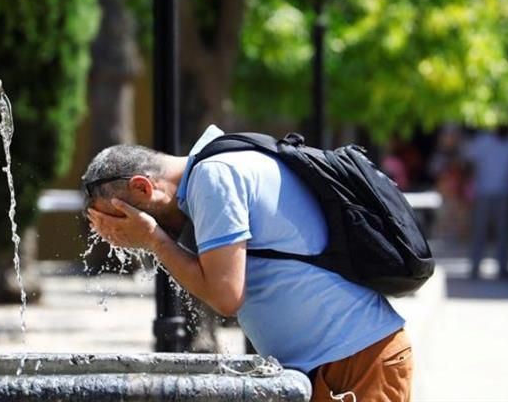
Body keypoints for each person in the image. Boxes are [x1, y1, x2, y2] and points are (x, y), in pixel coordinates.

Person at [83, 125, 412, 401]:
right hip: (331, 364)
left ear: (142, 187)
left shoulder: (214, 177)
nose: (118, 235)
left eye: (120, 220)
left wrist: (154, 239)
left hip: (356, 364)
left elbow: (226, 296)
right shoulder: (219, 166)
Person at [463, 125, 508, 279]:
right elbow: (469, 162)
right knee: (479, 231)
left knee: (503, 233)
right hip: (483, 193)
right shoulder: (483, 141)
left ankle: (503, 268)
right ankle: (475, 267)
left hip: (505, 193)